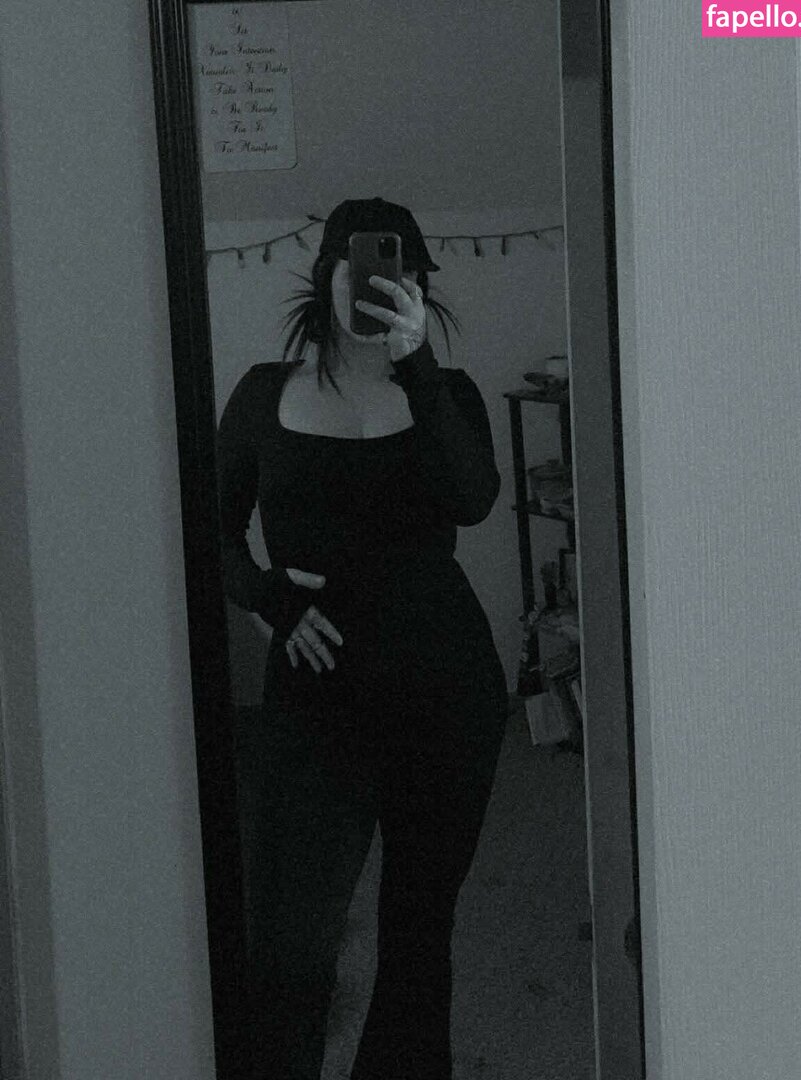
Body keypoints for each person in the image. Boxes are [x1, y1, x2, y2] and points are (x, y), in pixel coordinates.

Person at [216, 196, 508, 1080]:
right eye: (365, 268)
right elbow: (210, 530)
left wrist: (417, 365)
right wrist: (268, 596)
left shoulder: (447, 393)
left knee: (419, 936)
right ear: (327, 277)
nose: (383, 285)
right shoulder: (264, 394)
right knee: (292, 941)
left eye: (403, 273)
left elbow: (472, 499)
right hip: (317, 700)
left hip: (446, 694)